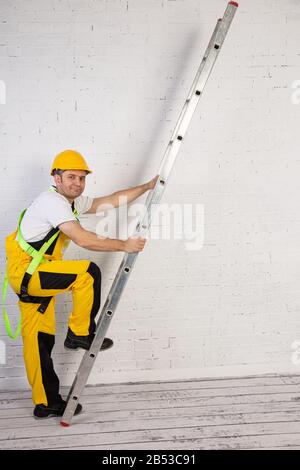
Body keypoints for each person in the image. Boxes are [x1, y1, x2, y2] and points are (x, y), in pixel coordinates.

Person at [5, 149, 157, 419]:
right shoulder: (54, 203)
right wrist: (125, 245)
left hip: (32, 275)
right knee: (87, 272)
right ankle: (79, 333)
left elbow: (108, 202)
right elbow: (83, 239)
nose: (77, 183)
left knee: (38, 343)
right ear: (57, 177)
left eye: (82, 178)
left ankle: (46, 402)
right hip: (31, 273)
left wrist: (145, 187)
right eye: (71, 177)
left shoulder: (69, 202)